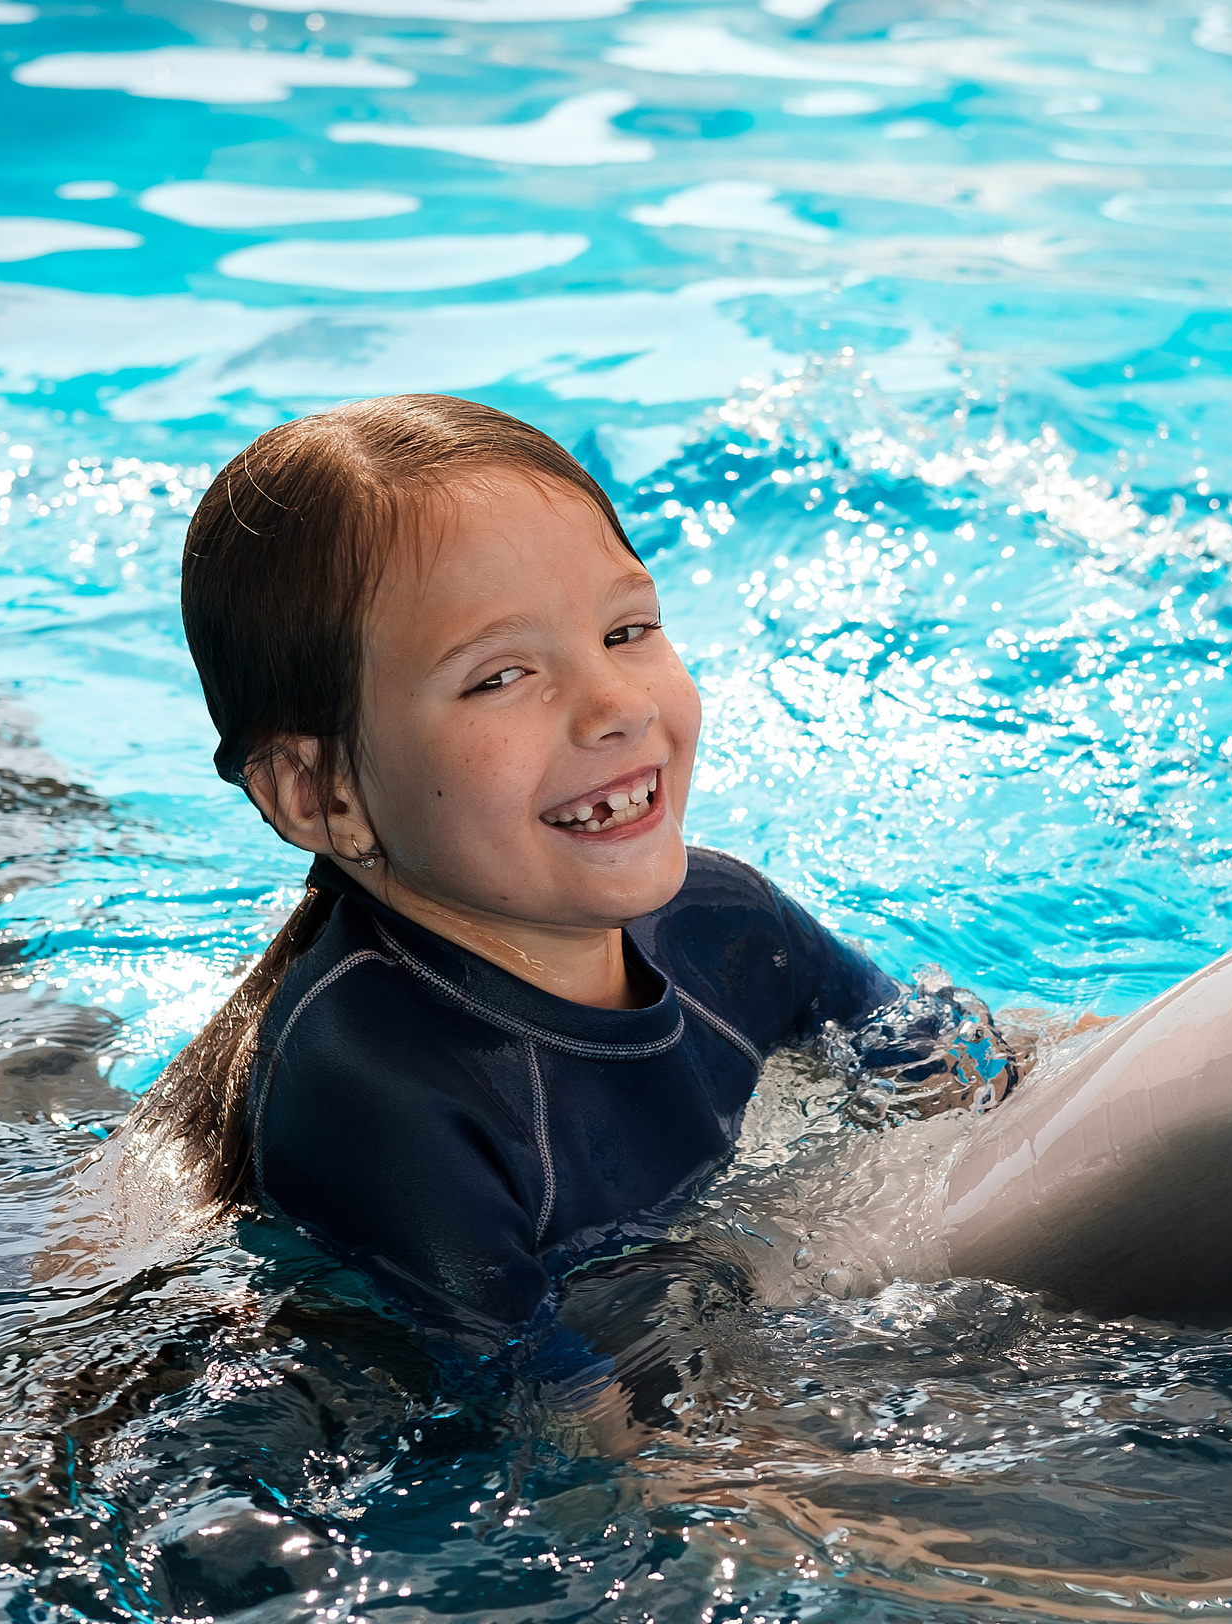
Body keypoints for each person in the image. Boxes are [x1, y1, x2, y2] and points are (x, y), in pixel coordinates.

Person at [133, 394, 956, 1347]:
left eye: (627, 631)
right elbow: (562, 1426)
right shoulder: (377, 1094)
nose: (614, 703)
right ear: (320, 793)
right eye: (500, 676)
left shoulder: (729, 922)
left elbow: (944, 1064)